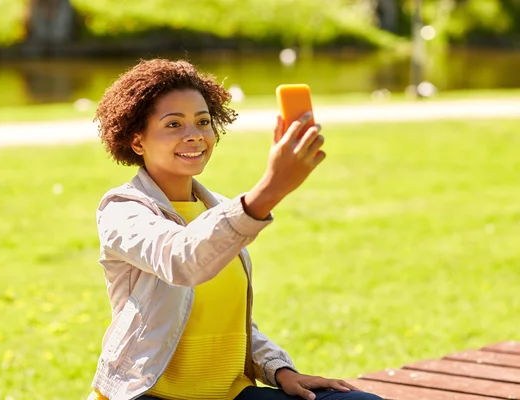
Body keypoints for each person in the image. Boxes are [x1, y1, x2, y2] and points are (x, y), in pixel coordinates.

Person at [88, 59, 382, 400]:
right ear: (137, 141)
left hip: (231, 394)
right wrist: (270, 189)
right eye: (173, 124)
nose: (194, 135)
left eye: (203, 121)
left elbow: (226, 325)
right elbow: (182, 260)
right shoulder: (122, 210)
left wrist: (280, 370)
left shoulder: (218, 210)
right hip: (152, 395)